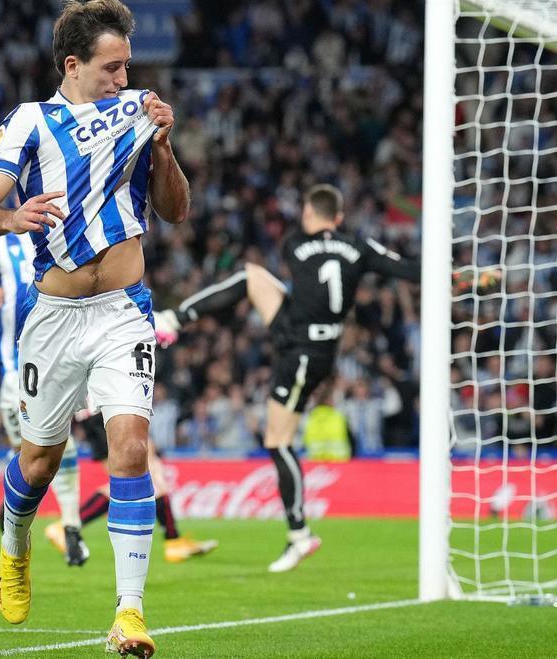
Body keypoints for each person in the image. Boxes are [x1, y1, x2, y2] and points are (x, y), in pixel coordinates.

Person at [0, 0, 189, 657]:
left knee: (130, 449)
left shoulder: (139, 112)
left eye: (127, 66)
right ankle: (15, 546)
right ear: (74, 65)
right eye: (113, 68)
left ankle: (129, 611)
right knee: (40, 460)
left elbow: (176, 210)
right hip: (55, 317)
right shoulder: (30, 123)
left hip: (124, 309)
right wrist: (13, 218)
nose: (124, 79)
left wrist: (166, 147)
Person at [155, 184, 418, 573]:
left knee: (278, 441)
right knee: (251, 276)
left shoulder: (295, 244)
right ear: (341, 218)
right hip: (317, 344)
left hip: (301, 352)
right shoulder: (359, 247)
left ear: (310, 216)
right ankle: (173, 320)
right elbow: (405, 268)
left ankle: (300, 534)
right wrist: (461, 278)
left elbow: (306, 276)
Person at [0, 232, 88, 566]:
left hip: (60, 362)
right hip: (17, 371)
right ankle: (18, 521)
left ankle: (70, 527)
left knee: (58, 448)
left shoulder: (62, 232)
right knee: (32, 457)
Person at [58, 410, 216, 563]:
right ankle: (67, 526)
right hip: (109, 413)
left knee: (145, 475)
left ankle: (174, 540)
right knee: (145, 478)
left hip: (114, 412)